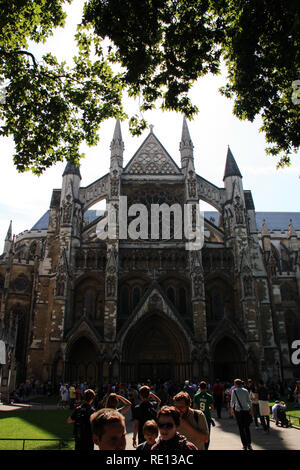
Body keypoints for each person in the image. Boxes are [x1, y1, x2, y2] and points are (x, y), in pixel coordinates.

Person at [230, 378, 253, 450]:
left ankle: (244, 444)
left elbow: (232, 402)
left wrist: (231, 410)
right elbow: (249, 401)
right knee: (247, 428)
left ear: (236, 384)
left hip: (238, 411)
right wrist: (251, 410)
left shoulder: (234, 391)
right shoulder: (246, 391)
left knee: (241, 428)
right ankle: (249, 443)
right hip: (246, 410)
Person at [193, 381, 214, 449]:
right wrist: (208, 409)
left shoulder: (196, 396)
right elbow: (212, 408)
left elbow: (194, 407)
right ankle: (206, 447)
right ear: (206, 388)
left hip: (198, 416)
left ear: (199, 387)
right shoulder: (209, 396)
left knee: (198, 432)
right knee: (207, 433)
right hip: (207, 416)